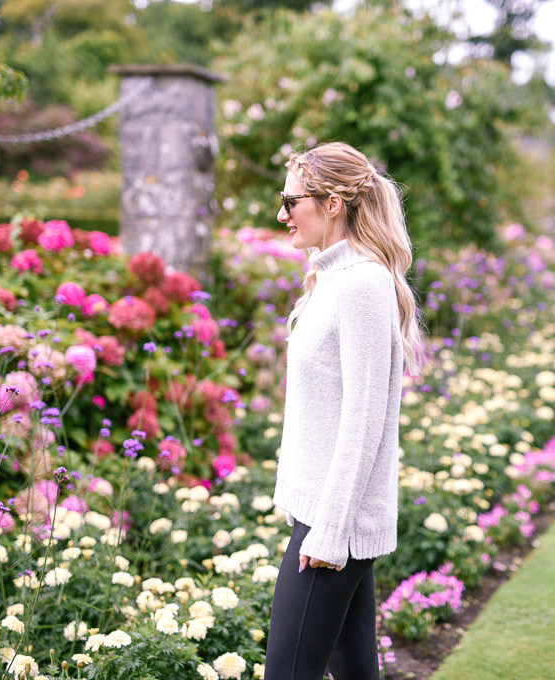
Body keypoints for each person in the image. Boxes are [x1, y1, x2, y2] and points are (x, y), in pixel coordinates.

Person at [264, 141, 427, 680]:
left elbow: (364, 418)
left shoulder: (362, 284)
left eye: (292, 201)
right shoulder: (330, 277)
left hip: (338, 526)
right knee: (356, 669)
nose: (281, 213)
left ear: (332, 203)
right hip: (325, 513)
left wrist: (331, 532)